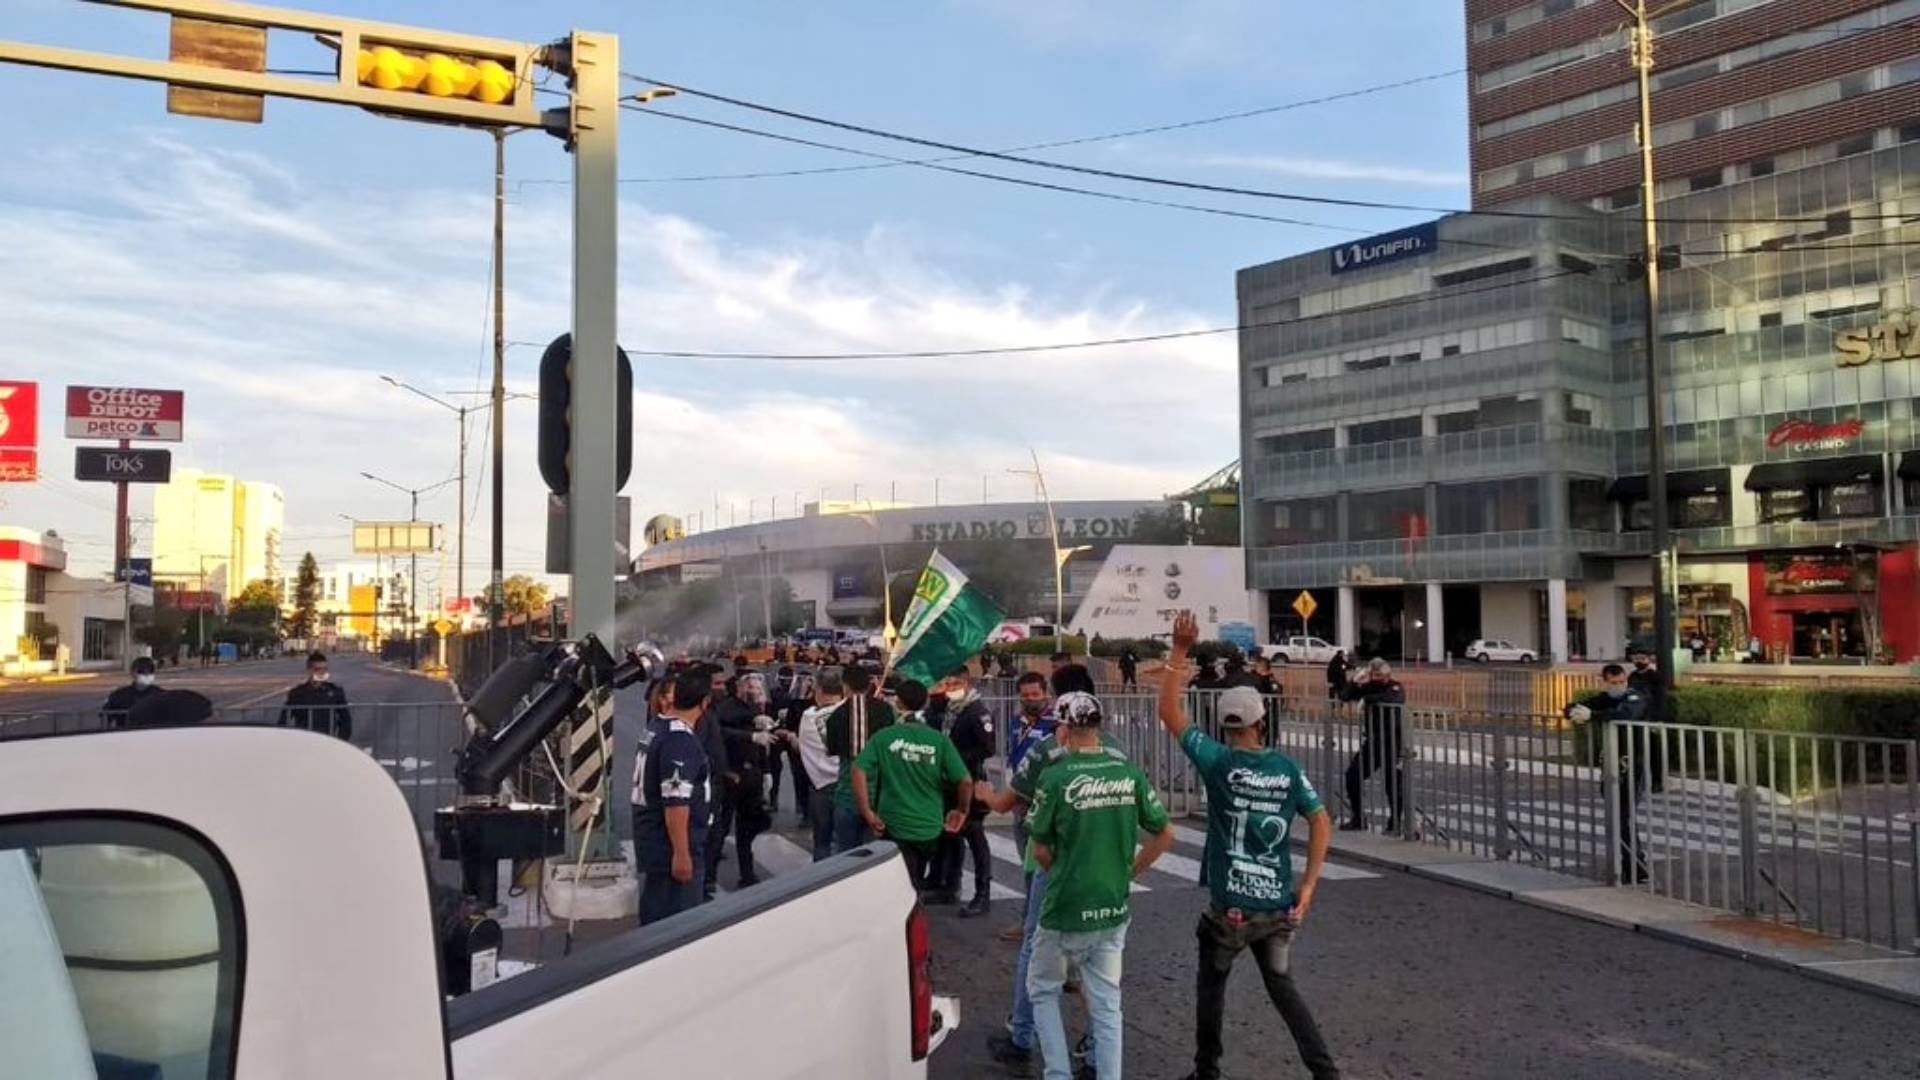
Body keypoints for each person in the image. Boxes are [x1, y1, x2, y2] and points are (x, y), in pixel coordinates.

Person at [1158, 612, 1340, 1080]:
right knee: (1284, 989)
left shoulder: (1217, 761)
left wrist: (1180, 650)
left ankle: (1207, 1070)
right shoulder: (1286, 768)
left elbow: (1170, 713)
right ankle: (1325, 1071)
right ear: (1262, 719)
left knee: (1211, 987)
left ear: (1224, 725)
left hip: (1230, 907)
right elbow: (1321, 821)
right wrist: (1310, 884)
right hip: (1277, 903)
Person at [1024, 690, 1175, 1080]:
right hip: (1113, 902)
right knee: (1107, 1004)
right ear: (1098, 726)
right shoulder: (1128, 772)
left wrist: (1063, 869)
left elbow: (1038, 847)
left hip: (1066, 904)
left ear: (1064, 729)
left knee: (1042, 989)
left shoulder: (1055, 776)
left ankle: (1058, 1073)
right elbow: (1164, 834)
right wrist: (1130, 872)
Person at [978, 690, 1126, 1077]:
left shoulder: (1048, 754)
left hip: (1058, 869)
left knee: (1037, 956)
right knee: (1104, 980)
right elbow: (1159, 830)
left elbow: (1011, 808)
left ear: (1061, 723)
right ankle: (1096, 1057)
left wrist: (983, 794)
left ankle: (1022, 1037)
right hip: (1108, 873)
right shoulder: (1117, 752)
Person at [851, 678, 972, 890]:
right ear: (925, 703)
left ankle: (908, 916)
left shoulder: (884, 736)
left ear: (897, 703)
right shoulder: (938, 740)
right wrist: (961, 810)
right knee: (914, 877)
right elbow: (965, 780)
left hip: (893, 824)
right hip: (929, 827)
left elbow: (858, 769)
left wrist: (867, 811)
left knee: (900, 883)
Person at [633, 669, 713, 925]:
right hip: (670, 848)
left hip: (652, 844)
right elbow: (676, 802)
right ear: (704, 703)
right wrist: (682, 853)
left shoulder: (657, 727)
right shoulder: (680, 739)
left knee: (654, 919)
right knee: (677, 929)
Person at [1567, 663, 1653, 884]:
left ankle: (1636, 867)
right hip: (1611, 766)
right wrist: (1574, 712)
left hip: (1633, 764)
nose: (1618, 686)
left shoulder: (1635, 697)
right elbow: (1573, 707)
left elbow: (1626, 714)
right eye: (1613, 683)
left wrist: (1593, 715)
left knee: (1623, 817)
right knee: (1616, 817)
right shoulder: (1605, 698)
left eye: (1621, 682)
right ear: (1604, 682)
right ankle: (1626, 866)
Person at [707, 670, 776, 891]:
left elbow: (762, 744)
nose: (755, 691)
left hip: (752, 775)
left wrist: (766, 772)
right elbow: (723, 730)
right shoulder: (728, 707)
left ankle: (747, 873)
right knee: (721, 829)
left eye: (758, 687)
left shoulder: (756, 709)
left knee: (749, 828)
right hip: (730, 775)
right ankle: (709, 877)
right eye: (750, 687)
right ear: (739, 687)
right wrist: (751, 731)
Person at [936, 665, 996, 917]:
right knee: (951, 833)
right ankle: (951, 885)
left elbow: (988, 747)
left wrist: (955, 758)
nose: (949, 690)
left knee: (974, 835)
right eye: (947, 685)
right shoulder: (950, 710)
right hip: (950, 782)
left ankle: (982, 894)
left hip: (970, 780)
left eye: (954, 685)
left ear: (966, 682)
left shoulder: (977, 712)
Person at [826, 664, 897, 853]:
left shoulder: (835, 716)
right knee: (873, 857)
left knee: (846, 856)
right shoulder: (886, 711)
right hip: (878, 798)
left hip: (846, 795)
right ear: (869, 686)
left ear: (845, 686)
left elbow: (832, 751)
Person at [1338, 658, 1405, 833]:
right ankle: (1358, 818)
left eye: (1380, 675)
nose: (1377, 678)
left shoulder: (1395, 686)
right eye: (1373, 674)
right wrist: (1354, 680)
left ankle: (1396, 822)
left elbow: (1393, 699)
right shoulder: (1369, 685)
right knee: (1353, 776)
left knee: (1393, 784)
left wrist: (1366, 699)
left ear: (1388, 675)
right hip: (1373, 742)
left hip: (1392, 742)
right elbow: (1344, 696)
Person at [794, 667, 847, 861]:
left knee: (822, 841)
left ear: (818, 690)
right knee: (845, 841)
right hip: (847, 782)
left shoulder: (808, 717)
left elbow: (802, 746)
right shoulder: (850, 713)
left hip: (822, 784)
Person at [280, 651, 353, 741]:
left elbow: (345, 719)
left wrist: (341, 742)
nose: (322, 672)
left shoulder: (335, 691)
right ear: (308, 671)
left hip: (328, 740)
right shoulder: (297, 693)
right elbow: (283, 721)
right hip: (304, 741)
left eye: (325, 669)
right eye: (318, 669)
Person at [102, 656, 162, 728]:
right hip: (125, 735)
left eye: (150, 671)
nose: (146, 674)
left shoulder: (161, 695)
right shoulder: (118, 695)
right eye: (141, 671)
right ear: (132, 672)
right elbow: (105, 718)